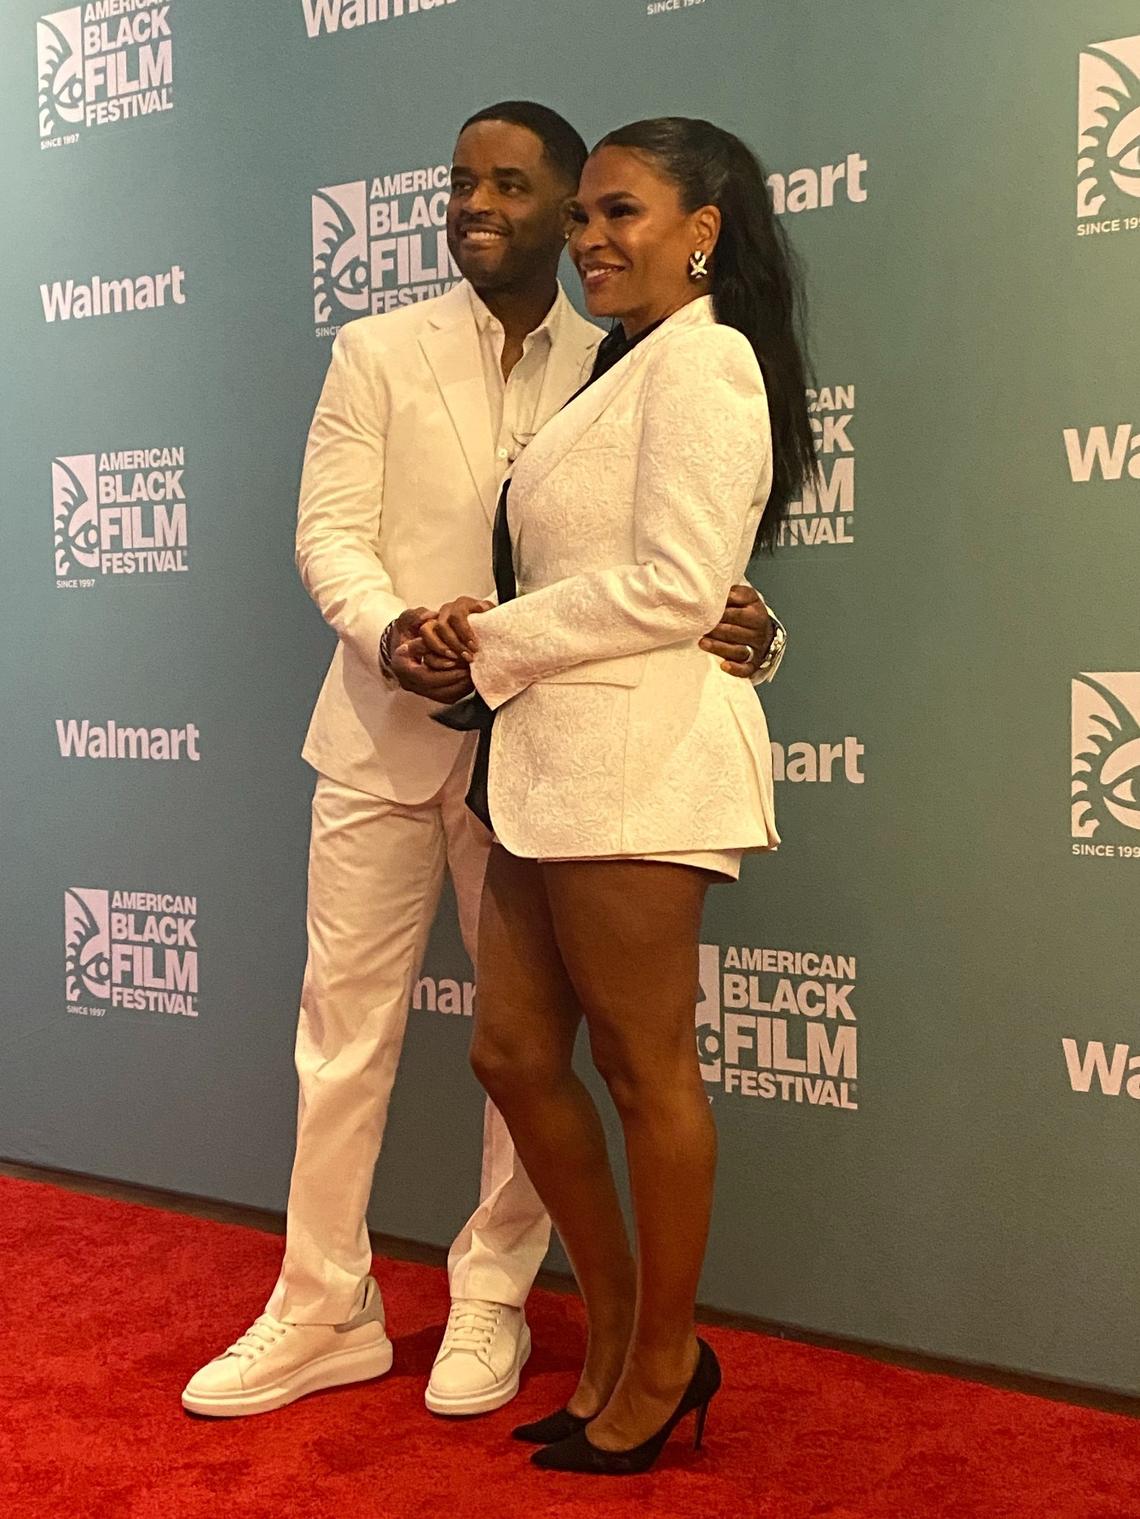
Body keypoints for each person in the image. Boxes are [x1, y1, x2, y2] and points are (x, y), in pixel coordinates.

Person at [180, 103, 784, 1422]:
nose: (480, 206)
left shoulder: (628, 351)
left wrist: (750, 621)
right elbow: (330, 532)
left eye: (526, 189)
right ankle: (320, 1306)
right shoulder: (379, 348)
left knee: (541, 1051)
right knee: (364, 1038)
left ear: (582, 205)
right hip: (389, 727)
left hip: (557, 751)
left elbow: (679, 554)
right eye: (463, 183)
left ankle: (496, 1303)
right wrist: (396, 630)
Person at [419, 117, 816, 1473]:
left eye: (621, 212)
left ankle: (660, 1358)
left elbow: (680, 587)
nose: (589, 236)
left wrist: (496, 638)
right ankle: (617, 1332)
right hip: (549, 769)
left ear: (704, 229)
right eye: (581, 214)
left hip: (641, 768)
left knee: (649, 1076)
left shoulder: (709, 365)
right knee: (514, 1054)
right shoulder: (625, 369)